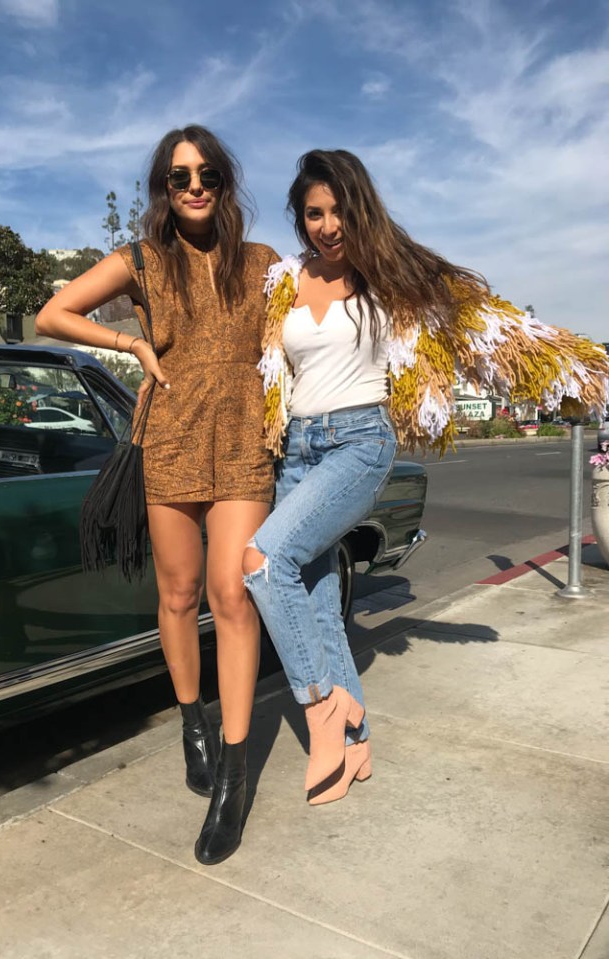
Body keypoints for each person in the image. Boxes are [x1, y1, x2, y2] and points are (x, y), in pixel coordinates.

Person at [243, 148, 609, 806]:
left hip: (359, 442)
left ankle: (321, 706)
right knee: (319, 601)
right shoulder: (286, 281)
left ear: (361, 210)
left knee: (264, 563)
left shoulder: (393, 283)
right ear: (300, 219)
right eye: (314, 214)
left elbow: (488, 328)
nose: (327, 226)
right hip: (297, 448)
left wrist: (576, 369)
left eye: (338, 211)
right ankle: (356, 740)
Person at [36, 125, 278, 864]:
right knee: (178, 594)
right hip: (169, 434)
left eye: (207, 174)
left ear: (224, 183)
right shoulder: (141, 260)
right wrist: (132, 345)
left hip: (243, 437)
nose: (195, 186)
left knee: (232, 593)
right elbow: (53, 314)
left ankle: (234, 774)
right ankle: (191, 721)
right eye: (180, 177)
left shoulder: (263, 263)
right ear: (164, 191)